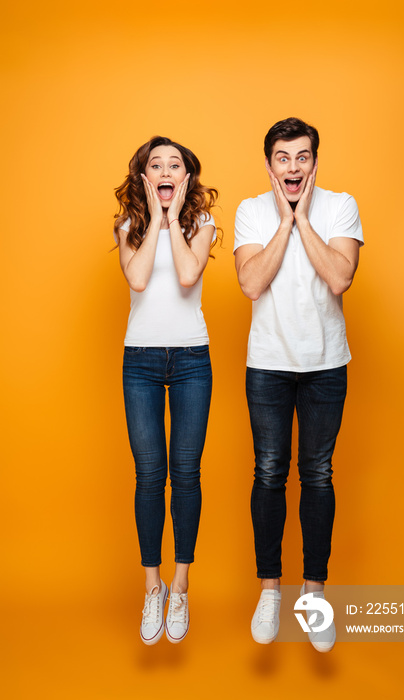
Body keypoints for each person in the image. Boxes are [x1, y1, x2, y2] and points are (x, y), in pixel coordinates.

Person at [234, 117, 364, 651]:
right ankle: (270, 591)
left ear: (314, 161)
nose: (293, 166)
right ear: (270, 165)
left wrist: (304, 218)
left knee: (317, 474)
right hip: (267, 363)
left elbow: (339, 277)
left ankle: (313, 595)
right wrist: (284, 223)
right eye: (283, 157)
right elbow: (250, 282)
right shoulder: (249, 211)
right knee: (268, 472)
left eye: (302, 156)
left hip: (325, 364)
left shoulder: (340, 205)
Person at [113, 136, 220, 645]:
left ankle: (180, 587)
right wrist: (156, 219)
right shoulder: (130, 226)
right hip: (141, 362)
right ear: (143, 176)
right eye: (155, 164)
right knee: (149, 475)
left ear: (186, 176)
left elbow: (185, 274)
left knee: (187, 474)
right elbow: (137, 280)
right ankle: (151, 588)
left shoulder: (202, 225)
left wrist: (175, 216)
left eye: (174, 164)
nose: (165, 169)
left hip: (192, 361)